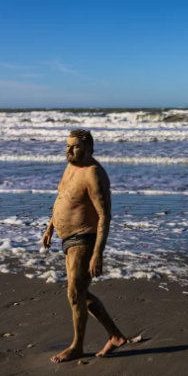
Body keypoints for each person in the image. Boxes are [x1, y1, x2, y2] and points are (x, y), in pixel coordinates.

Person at [41, 129, 126, 362]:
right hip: (67, 240)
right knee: (78, 292)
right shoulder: (71, 165)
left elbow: (104, 216)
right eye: (68, 146)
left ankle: (77, 346)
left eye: (75, 146)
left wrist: (98, 253)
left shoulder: (93, 174)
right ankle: (115, 336)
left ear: (89, 150)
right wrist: (50, 227)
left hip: (84, 238)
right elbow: (62, 198)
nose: (69, 150)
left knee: (74, 292)